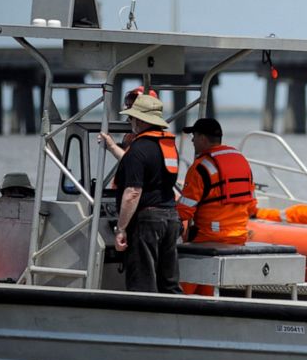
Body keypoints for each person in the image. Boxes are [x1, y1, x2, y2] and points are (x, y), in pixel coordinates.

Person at [113, 94, 183, 294]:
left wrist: (121, 228)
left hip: (147, 221)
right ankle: (174, 320)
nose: (130, 122)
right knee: (169, 282)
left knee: (142, 282)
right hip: (170, 219)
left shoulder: (138, 149)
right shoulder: (169, 147)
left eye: (132, 118)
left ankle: (143, 323)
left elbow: (132, 193)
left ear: (141, 120)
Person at [177, 118, 257, 244]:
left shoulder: (200, 167)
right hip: (239, 236)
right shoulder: (242, 162)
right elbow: (252, 206)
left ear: (203, 139)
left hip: (209, 237)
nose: (192, 140)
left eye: (194, 136)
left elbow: (184, 211)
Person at [99, 86, 159, 159]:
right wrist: (110, 143)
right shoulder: (133, 132)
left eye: (133, 104)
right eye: (128, 104)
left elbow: (132, 162)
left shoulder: (151, 140)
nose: (127, 108)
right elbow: (127, 151)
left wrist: (112, 146)